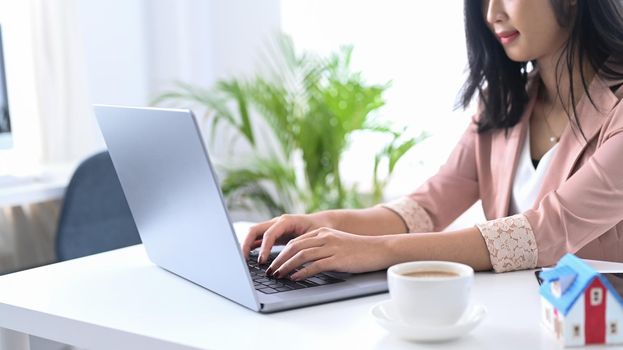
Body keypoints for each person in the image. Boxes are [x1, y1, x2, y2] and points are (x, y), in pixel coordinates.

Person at [242, 0, 623, 281]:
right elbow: (426, 208)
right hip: (517, 321)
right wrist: (319, 225)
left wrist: (374, 252)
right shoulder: (502, 104)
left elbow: (545, 233)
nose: (492, 14)